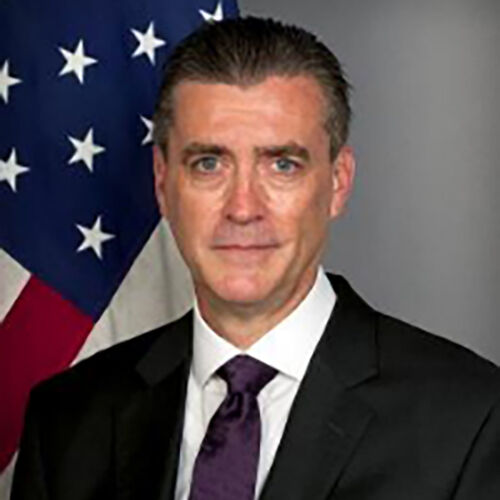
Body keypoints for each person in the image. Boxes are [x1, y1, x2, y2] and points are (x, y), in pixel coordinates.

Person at [12, 16, 500, 500]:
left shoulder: (469, 420)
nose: (243, 208)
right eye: (209, 164)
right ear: (162, 183)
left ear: (338, 182)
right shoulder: (66, 420)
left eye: (282, 165)